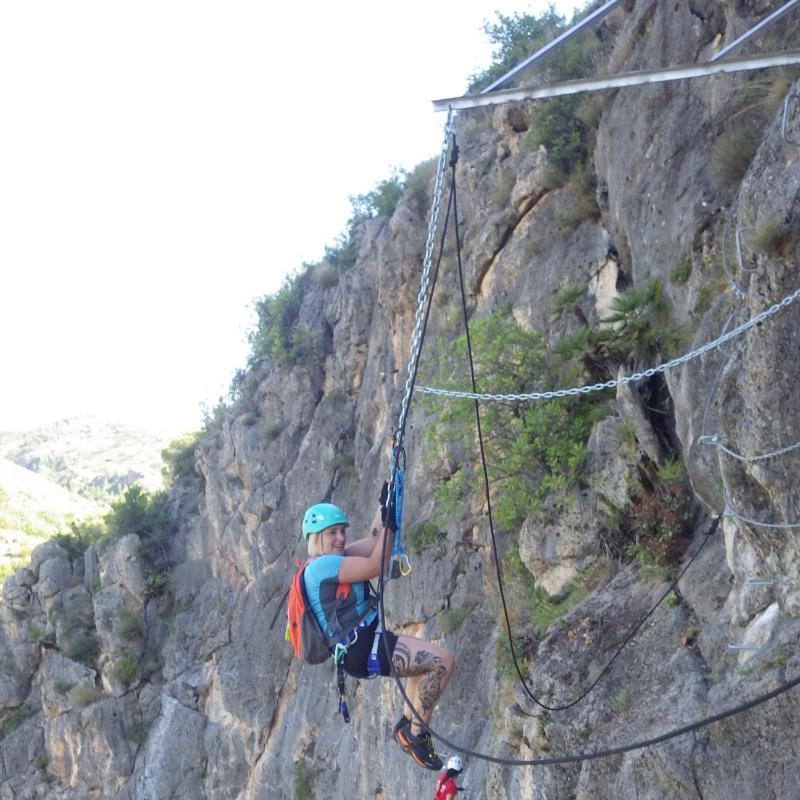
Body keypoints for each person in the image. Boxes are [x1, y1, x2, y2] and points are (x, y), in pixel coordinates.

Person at [302, 501, 455, 771]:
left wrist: (386, 499)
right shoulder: (321, 568)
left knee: (423, 668)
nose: (340, 538)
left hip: (366, 641)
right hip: (361, 646)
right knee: (442, 663)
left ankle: (407, 726)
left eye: (342, 531)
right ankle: (417, 736)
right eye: (331, 533)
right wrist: (391, 522)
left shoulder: (333, 559)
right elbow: (378, 562)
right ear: (316, 539)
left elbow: (374, 540)